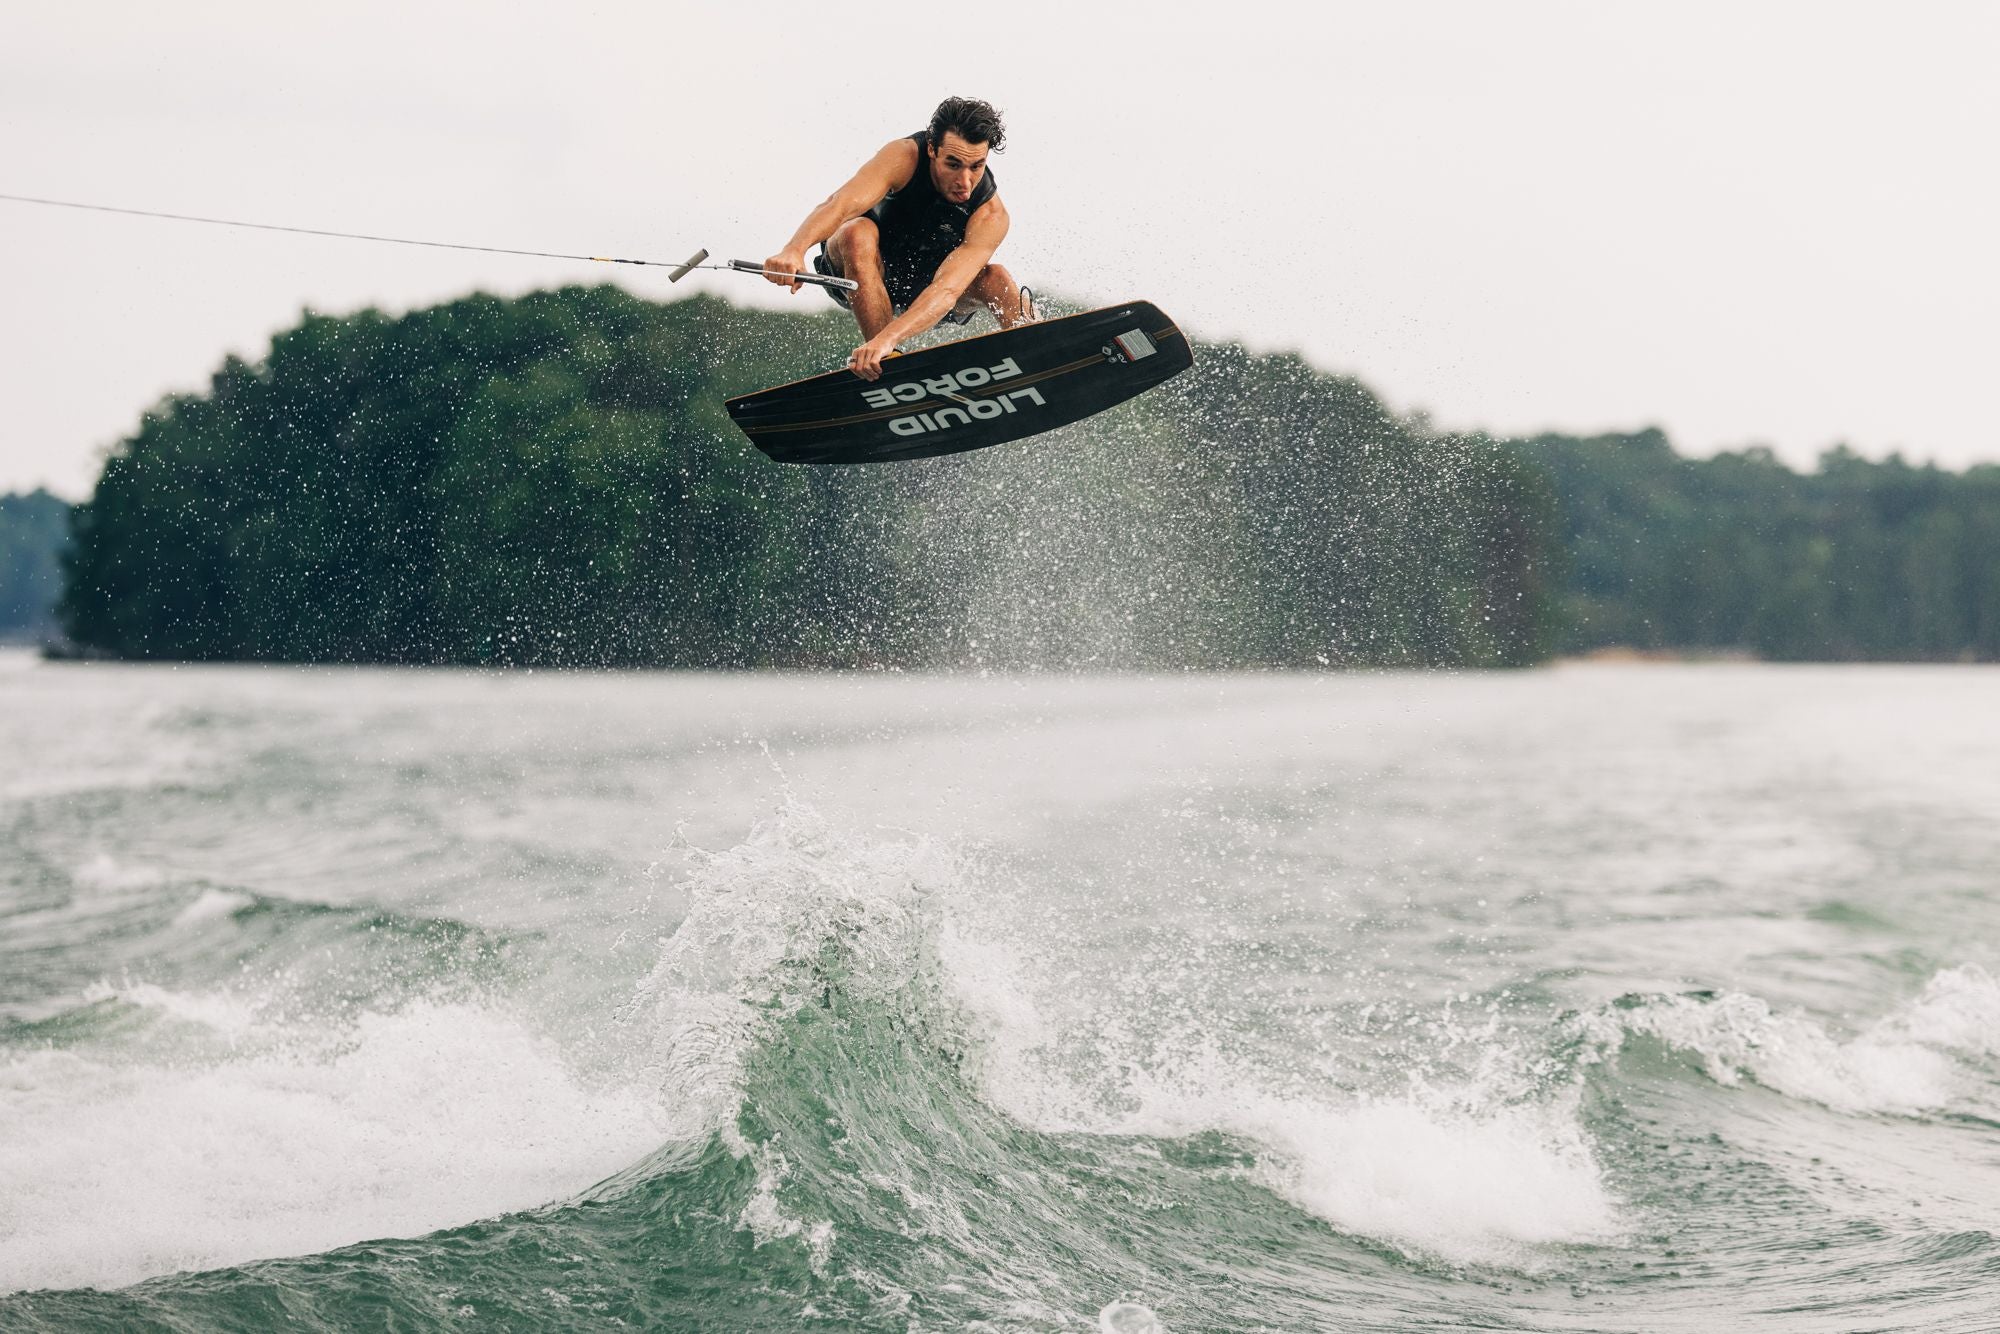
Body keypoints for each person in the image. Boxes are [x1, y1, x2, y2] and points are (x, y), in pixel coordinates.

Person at [761, 97, 1032, 382]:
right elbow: (840, 204)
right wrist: (794, 250)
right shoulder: (903, 158)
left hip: (927, 290)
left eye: (976, 166)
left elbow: (947, 290)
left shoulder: (990, 214)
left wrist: (890, 335)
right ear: (931, 149)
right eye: (953, 164)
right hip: (861, 269)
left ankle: (1036, 351)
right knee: (857, 231)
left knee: (997, 278)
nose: (965, 181)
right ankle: (885, 362)